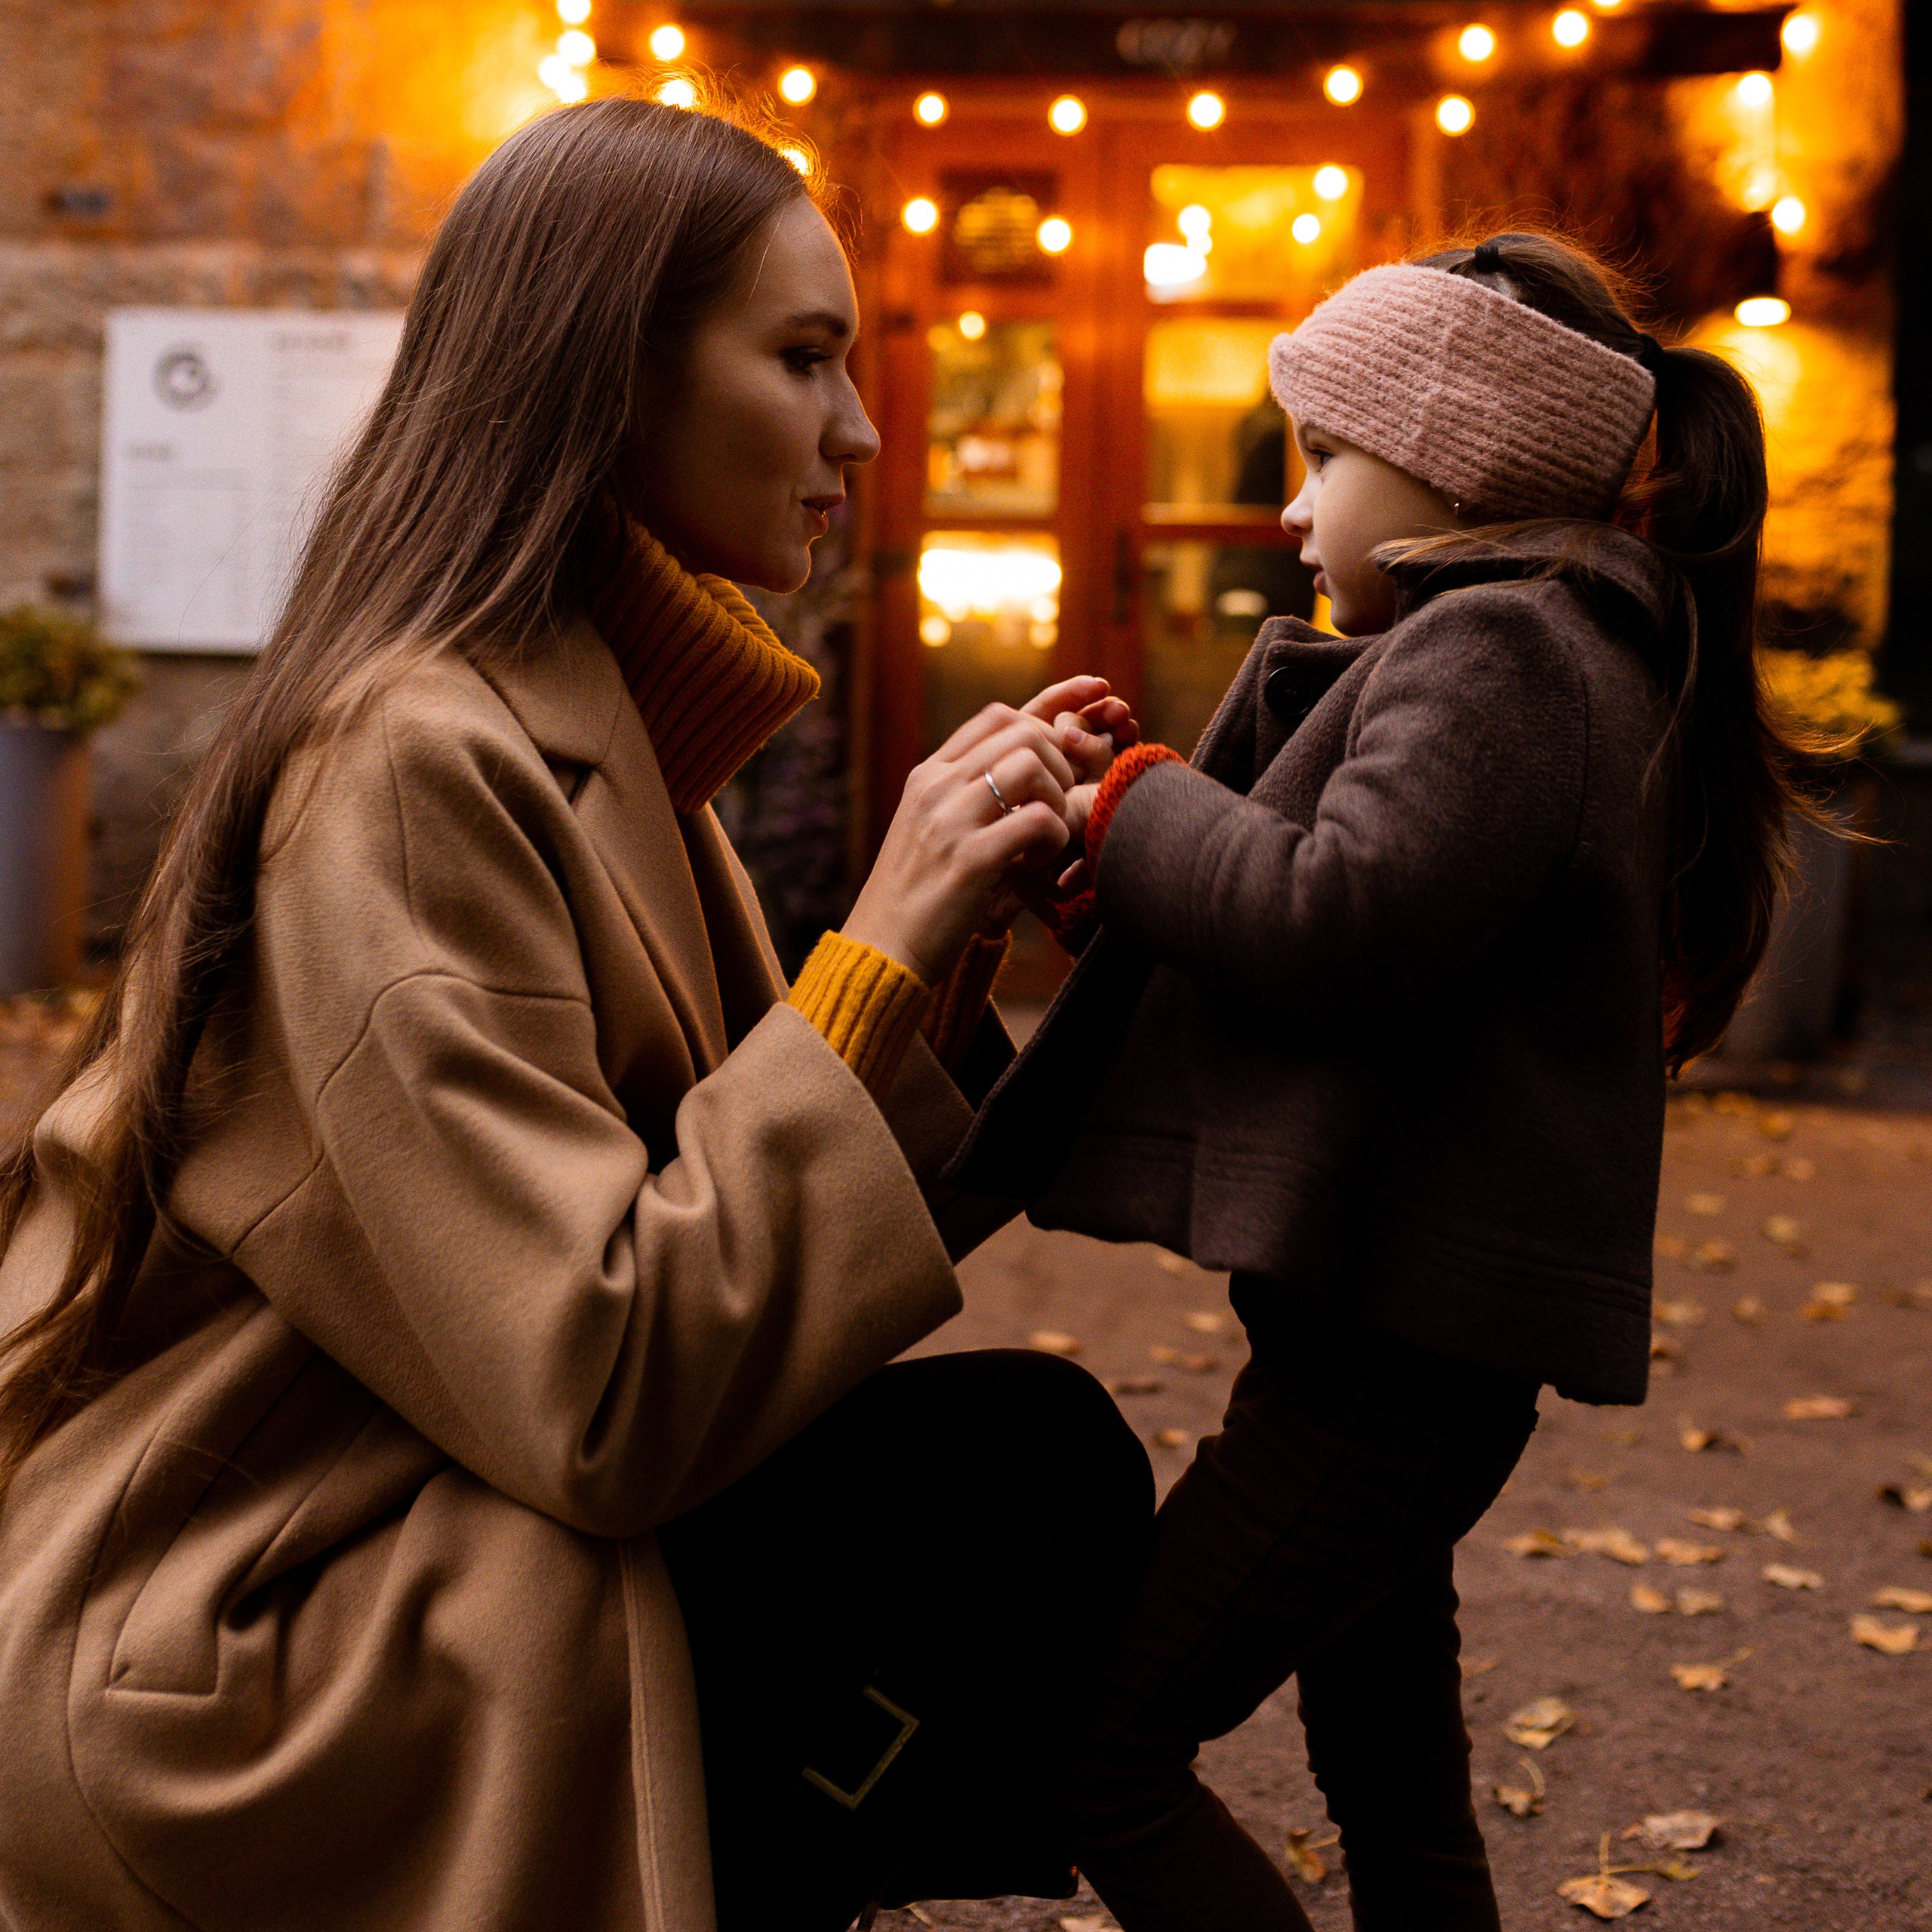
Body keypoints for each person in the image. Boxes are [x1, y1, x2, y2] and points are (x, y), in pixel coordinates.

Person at [0, 100, 1152, 1932]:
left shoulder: (591, 736)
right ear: (607, 375)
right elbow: (605, 1385)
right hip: (263, 1633)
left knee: (1009, 1486)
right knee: (1009, 1488)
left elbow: (734, 1266)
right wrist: (874, 940)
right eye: (800, 357)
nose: (857, 426)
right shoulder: (405, 760)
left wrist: (935, 951)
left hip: (439, 1518)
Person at [953, 233, 1829, 1930]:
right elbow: (1357, 936)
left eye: (1321, 458)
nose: (1292, 512)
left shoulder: (1504, 655)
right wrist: (1105, 872)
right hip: (1383, 1344)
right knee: (1393, 1778)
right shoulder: (1510, 649)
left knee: (1099, 1750)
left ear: (1449, 460)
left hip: (1392, 1370)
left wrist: (1132, 808)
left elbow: (1328, 914)